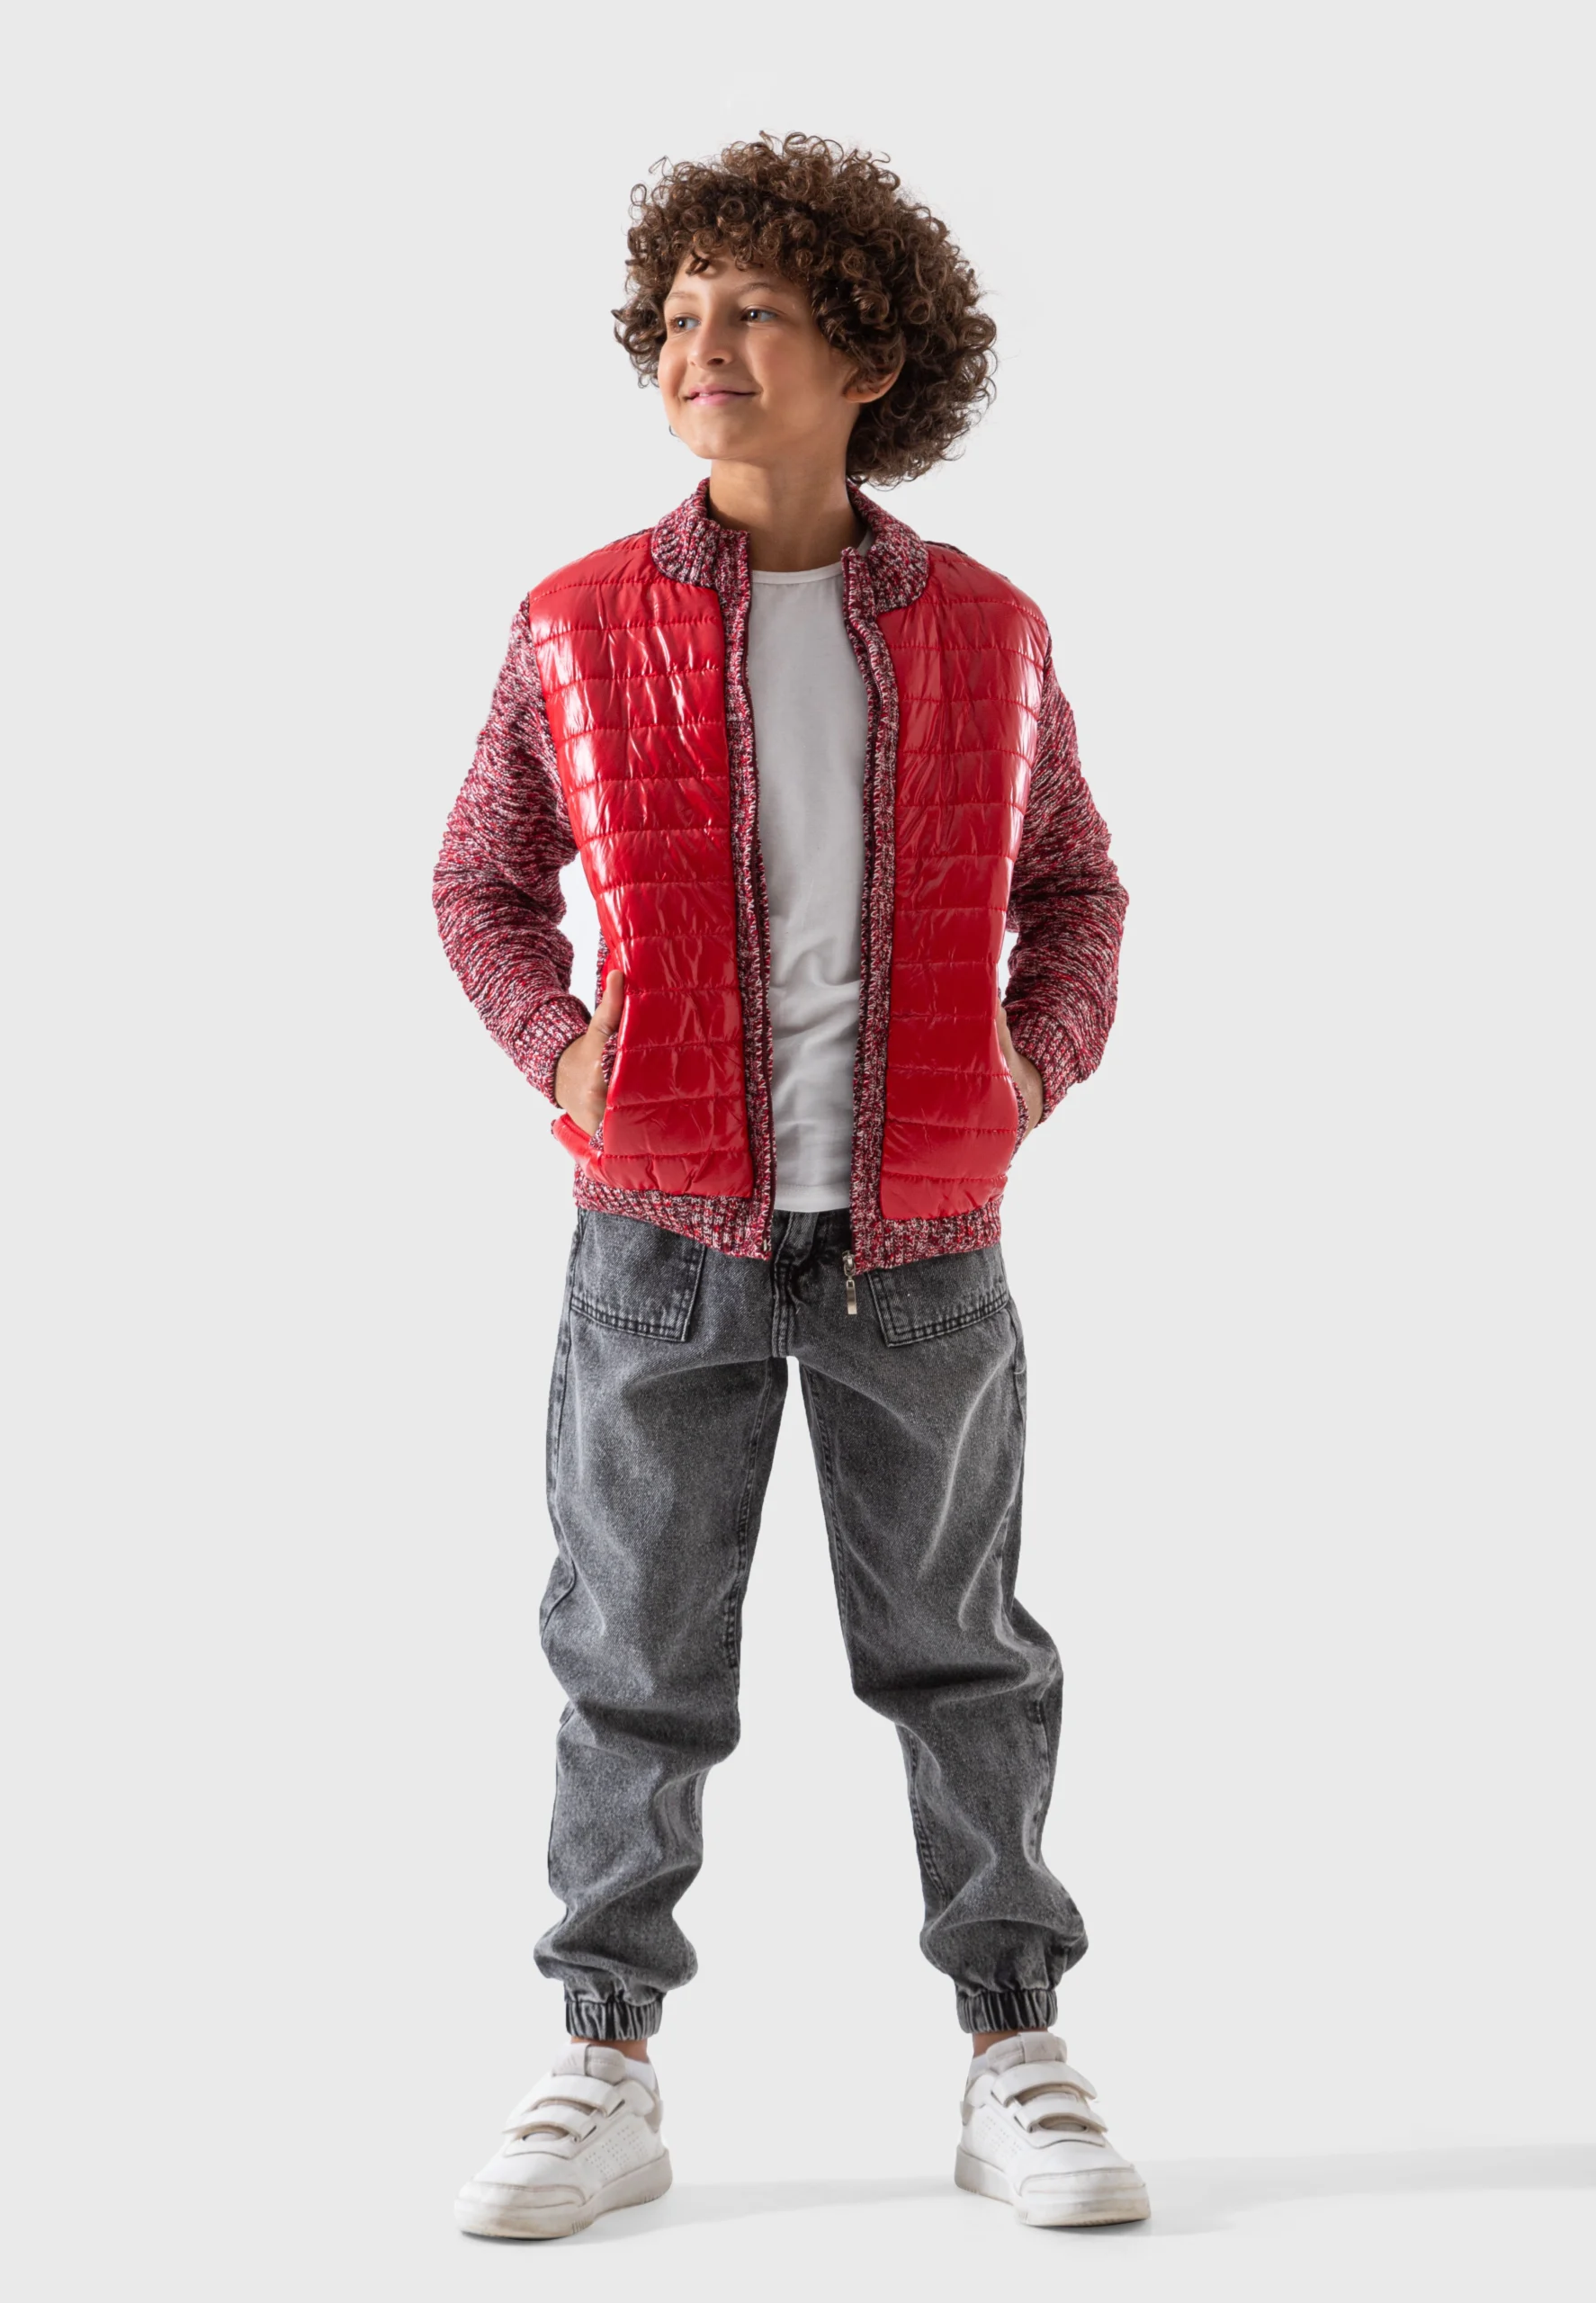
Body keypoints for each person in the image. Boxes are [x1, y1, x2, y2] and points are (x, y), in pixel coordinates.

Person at [433, 131, 1140, 2237]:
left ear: (868, 355)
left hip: (921, 1241)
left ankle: (1010, 2045)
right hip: (655, 1236)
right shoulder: (575, 622)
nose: (700, 346)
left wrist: (1031, 1067)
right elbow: (479, 880)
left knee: (961, 1654)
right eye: (675, 314)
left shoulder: (990, 630)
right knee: (629, 1651)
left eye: (751, 309)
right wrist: (563, 1051)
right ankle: (602, 2056)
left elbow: (1075, 887)